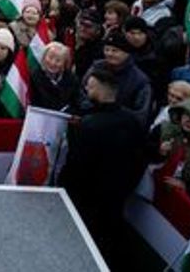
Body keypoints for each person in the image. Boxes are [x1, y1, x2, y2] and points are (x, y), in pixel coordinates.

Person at [59, 68, 147, 266]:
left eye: (89, 87)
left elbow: (76, 167)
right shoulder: (132, 121)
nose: (87, 91)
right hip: (117, 196)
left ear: (99, 90)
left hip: (88, 199)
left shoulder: (90, 126)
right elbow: (139, 158)